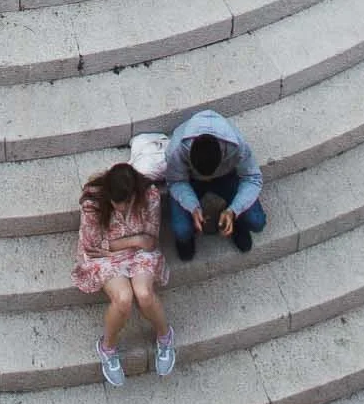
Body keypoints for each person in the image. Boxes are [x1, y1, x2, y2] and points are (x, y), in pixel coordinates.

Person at [73, 160, 176, 384]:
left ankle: (165, 336)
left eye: (124, 202)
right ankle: (107, 347)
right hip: (105, 256)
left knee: (144, 294)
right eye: (115, 202)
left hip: (139, 253)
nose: (119, 207)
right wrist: (135, 239)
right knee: (123, 298)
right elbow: (94, 244)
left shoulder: (149, 196)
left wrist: (132, 241)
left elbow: (150, 240)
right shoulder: (93, 201)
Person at [163, 109, 265, 261]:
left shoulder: (237, 147)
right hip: (190, 179)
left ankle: (236, 222)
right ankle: (187, 237)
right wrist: (192, 207)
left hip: (226, 176)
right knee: (182, 230)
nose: (207, 179)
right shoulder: (176, 150)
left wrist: (234, 210)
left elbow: (252, 178)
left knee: (257, 222)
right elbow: (175, 181)